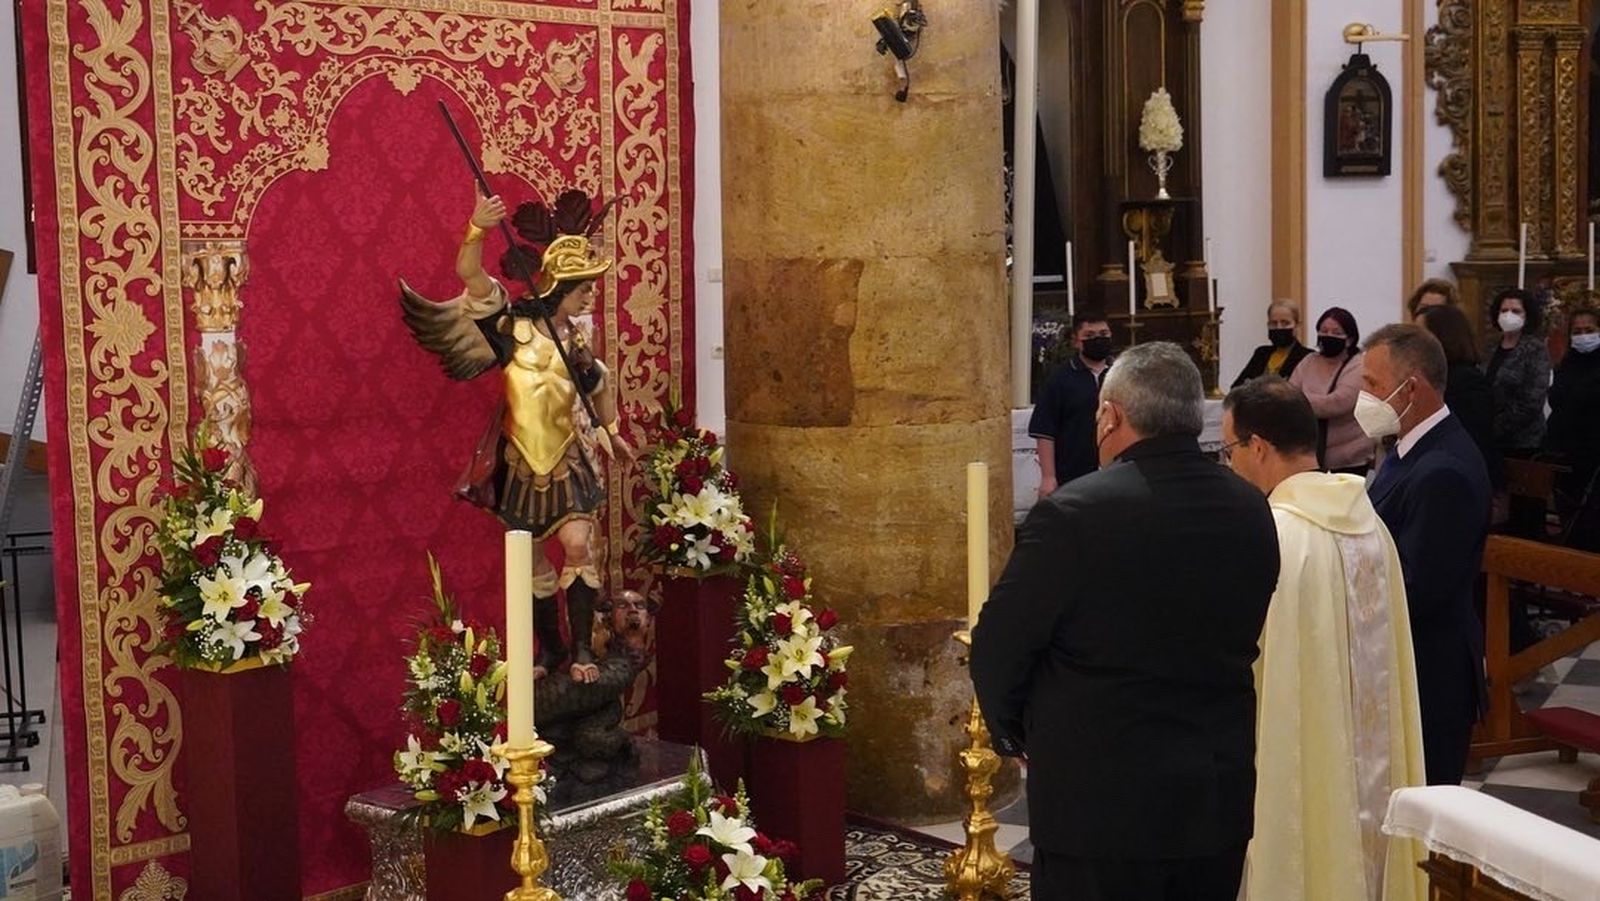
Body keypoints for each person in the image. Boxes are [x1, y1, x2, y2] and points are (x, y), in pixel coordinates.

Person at [973, 343, 1279, 901]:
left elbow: (1000, 643)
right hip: (1212, 793)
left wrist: (1014, 731)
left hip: (1098, 803)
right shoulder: (1252, 507)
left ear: (1111, 416)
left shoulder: (1073, 513)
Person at [400, 190, 632, 684]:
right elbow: (470, 275)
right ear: (561, 286)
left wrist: (610, 429)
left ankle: (583, 653)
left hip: (566, 457)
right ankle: (551, 649)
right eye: (583, 288)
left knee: (576, 545)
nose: (589, 296)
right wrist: (477, 228)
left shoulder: (576, 345)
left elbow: (601, 384)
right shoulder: (509, 327)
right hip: (521, 459)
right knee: (528, 559)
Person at [1222, 377, 1426, 901]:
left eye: (1229, 450)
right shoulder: (1370, 524)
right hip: (1370, 757)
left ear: (1259, 448)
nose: (1230, 464)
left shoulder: (1276, 535)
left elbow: (1247, 663)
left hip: (1308, 750)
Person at [1362, 324, 1492, 785]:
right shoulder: (1413, 449)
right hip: (1409, 664)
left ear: (1411, 388)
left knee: (1422, 817)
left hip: (1429, 674)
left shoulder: (1444, 471)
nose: (1364, 397)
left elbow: (1419, 587)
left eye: (1372, 385)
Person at [1030, 310, 1115, 496]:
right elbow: (1045, 430)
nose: (1098, 340)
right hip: (1073, 473)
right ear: (1076, 341)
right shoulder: (1060, 379)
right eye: (1089, 336)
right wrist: (1048, 477)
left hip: (1117, 471)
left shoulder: (1123, 375)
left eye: (1103, 334)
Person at [1416, 304, 1500, 487]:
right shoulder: (1432, 376)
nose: (1414, 343)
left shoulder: (1467, 380)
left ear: (1443, 337)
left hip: (1457, 476)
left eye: (1421, 334)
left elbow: (1474, 438)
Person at [1289, 307, 1372, 475]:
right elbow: (1288, 395)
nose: (1329, 336)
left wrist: (1301, 400)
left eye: (1336, 332)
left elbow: (1336, 403)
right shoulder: (1309, 361)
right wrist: (1303, 400)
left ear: (1349, 339)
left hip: (1349, 456)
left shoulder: (1358, 365)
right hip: (1309, 454)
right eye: (1324, 331)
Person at [1544, 306, 1600, 549]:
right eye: (1577, 331)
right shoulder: (1567, 363)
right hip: (1563, 453)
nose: (1583, 335)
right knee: (1569, 517)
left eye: (1589, 330)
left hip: (1594, 456)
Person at [1482, 288, 1552, 456]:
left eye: (1516, 311)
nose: (1509, 315)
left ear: (1526, 315)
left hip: (1523, 441)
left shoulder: (1535, 349)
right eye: (1504, 310)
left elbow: (1532, 400)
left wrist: (1496, 427)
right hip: (1488, 436)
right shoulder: (1490, 346)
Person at [1231, 300, 1312, 387]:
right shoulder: (1261, 353)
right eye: (1273, 323)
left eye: (1285, 323)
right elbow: (1237, 387)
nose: (1279, 327)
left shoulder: (1308, 357)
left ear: (1297, 326)